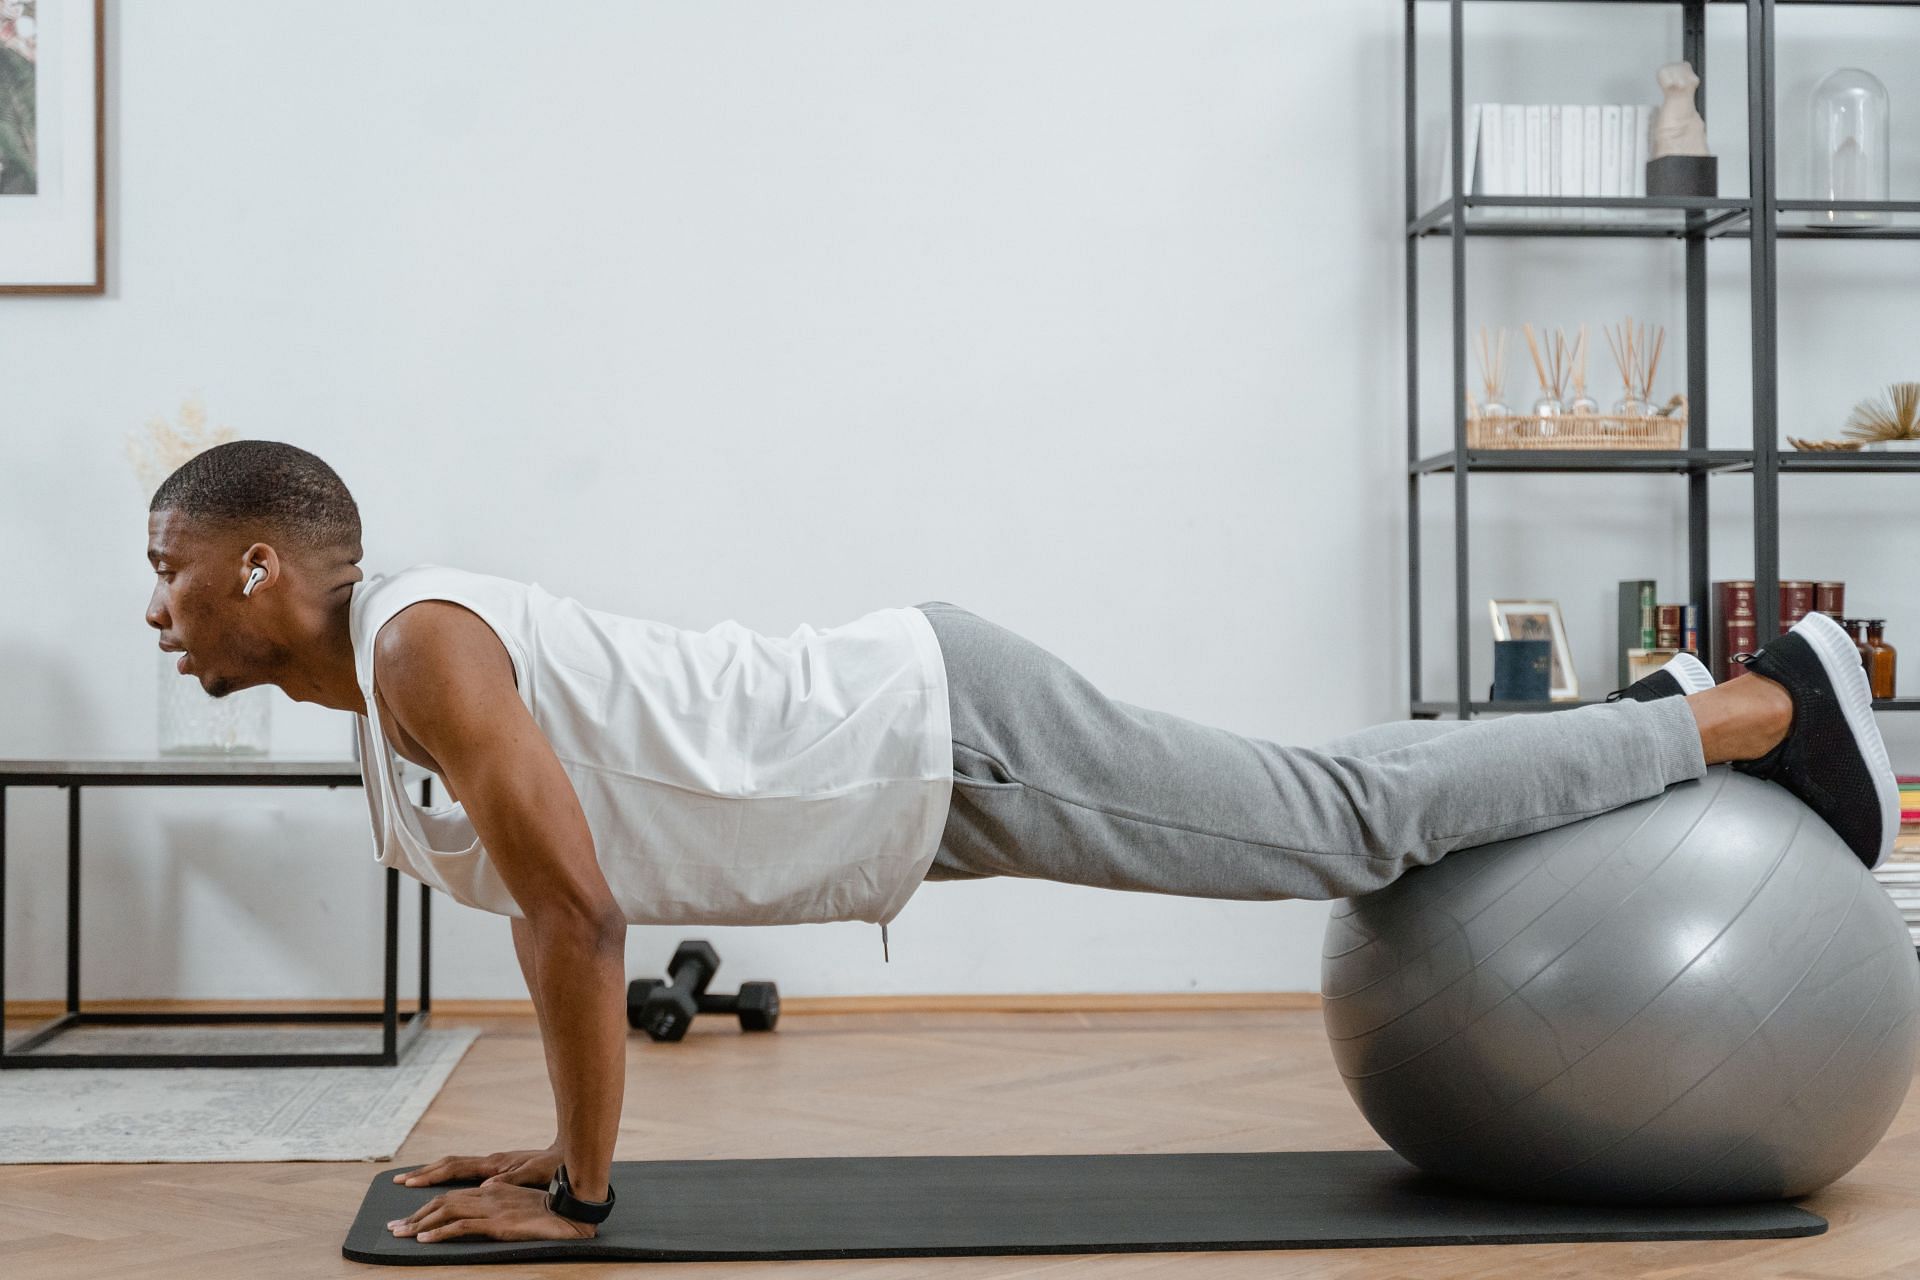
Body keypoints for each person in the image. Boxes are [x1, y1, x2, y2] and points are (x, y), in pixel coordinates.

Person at [141, 440, 1898, 1246]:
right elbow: (573, 891)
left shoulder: (419, 645)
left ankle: (1753, 712)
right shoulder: (390, 701)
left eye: (170, 568)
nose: (157, 611)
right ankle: (1655, 710)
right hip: (905, 780)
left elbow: (578, 917)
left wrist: (589, 1195)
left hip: (937, 736)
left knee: (1342, 826)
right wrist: (552, 1140)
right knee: (1320, 789)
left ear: (259, 570)